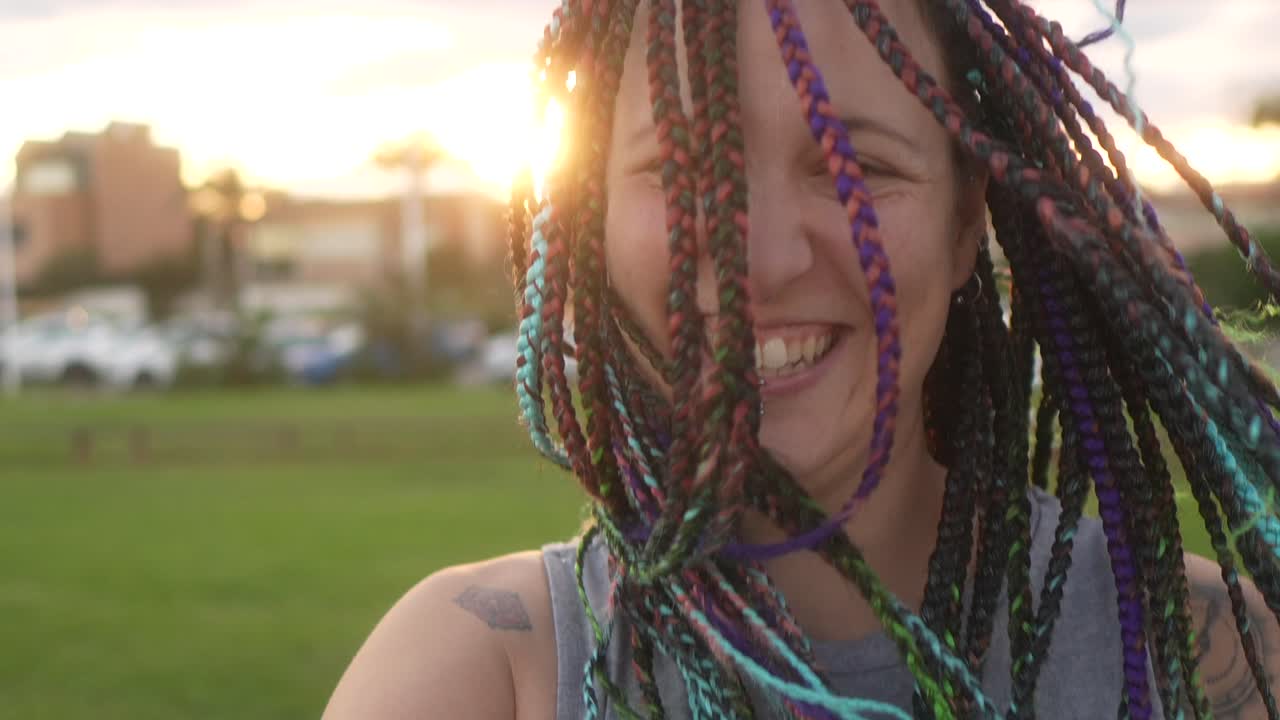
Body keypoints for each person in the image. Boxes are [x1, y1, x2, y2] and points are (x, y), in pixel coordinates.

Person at [324, 0, 1280, 717]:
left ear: (962, 229)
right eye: (686, 169)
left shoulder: (1211, 658)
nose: (764, 260)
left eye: (855, 167)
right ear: (593, 222)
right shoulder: (482, 675)